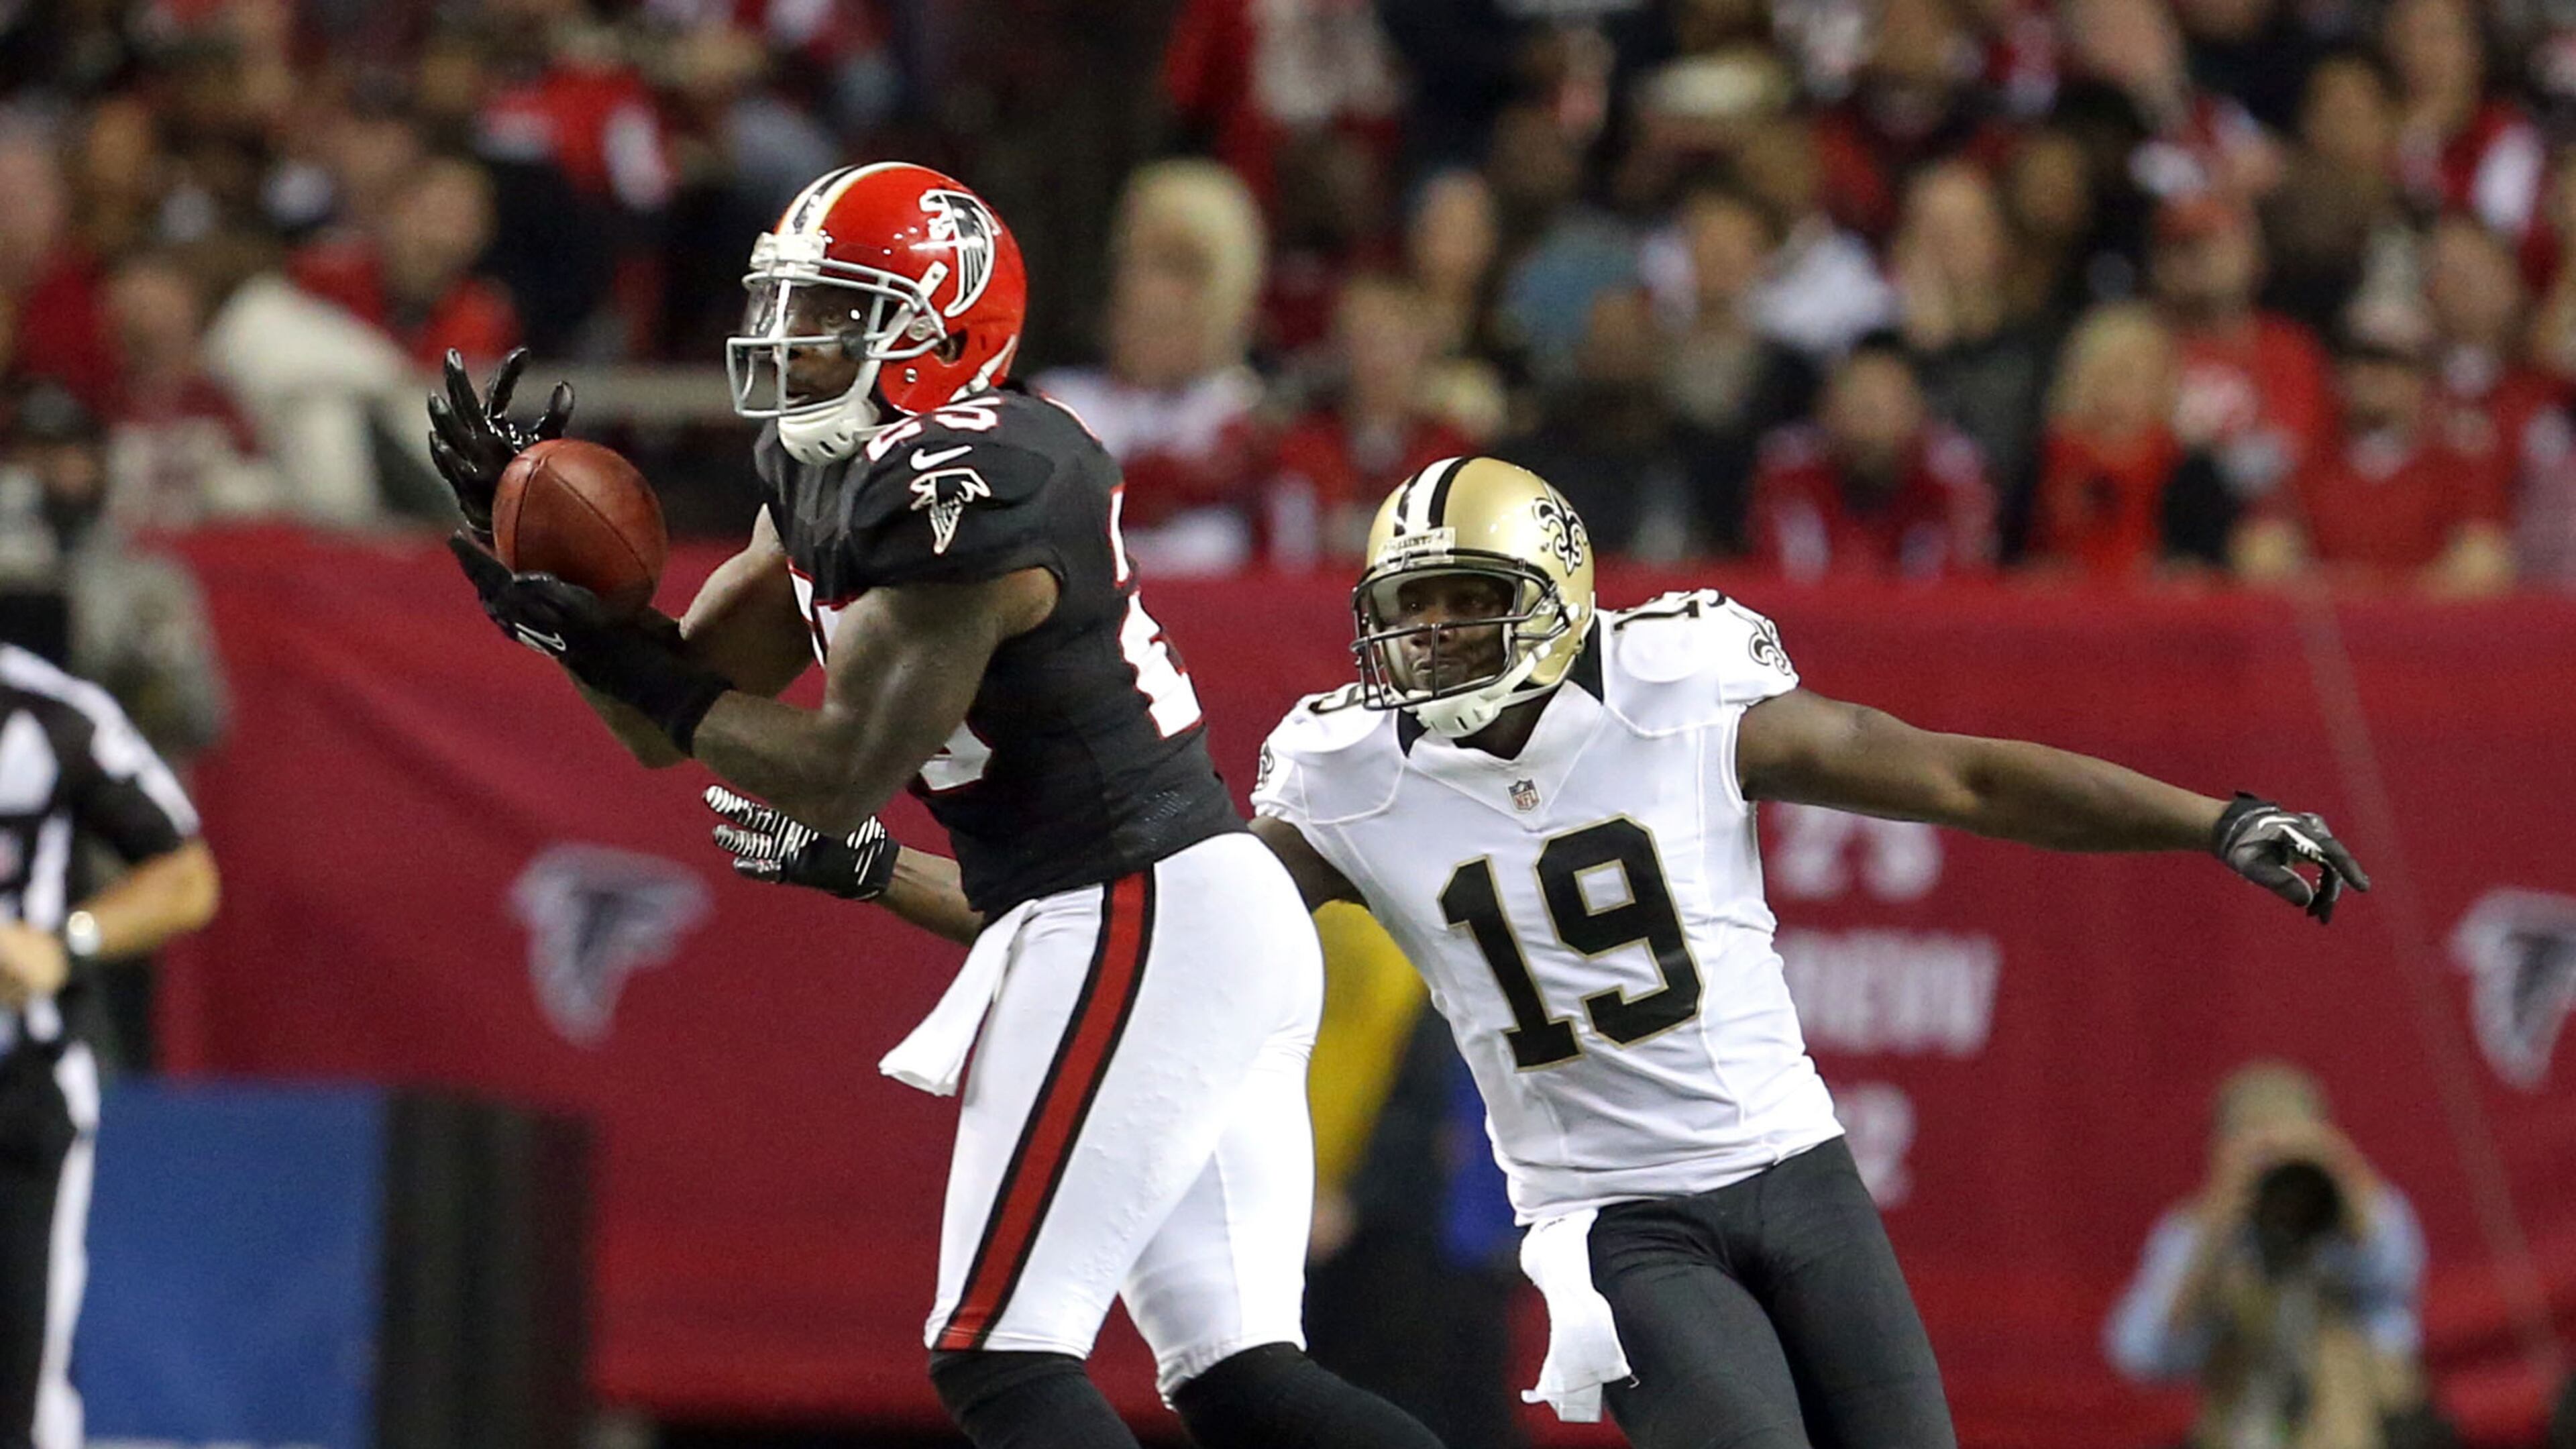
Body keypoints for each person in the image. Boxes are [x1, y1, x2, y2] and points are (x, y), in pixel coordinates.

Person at [738, 457, 2372, 1448]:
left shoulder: (1679, 687)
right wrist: (880, 863)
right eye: (1410, 609)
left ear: (1563, 594)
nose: (1426, 640)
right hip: (1608, 1217)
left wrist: (2202, 816)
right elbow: (1127, 942)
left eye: (1462, 604)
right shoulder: (1347, 774)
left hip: (1793, 1173)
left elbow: (1954, 771)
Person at [427, 162, 1442, 1449]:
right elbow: (670, 721)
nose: (790, 342)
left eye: (832, 312)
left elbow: (840, 766)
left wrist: (624, 659)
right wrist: (555, 587)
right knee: (1238, 1379)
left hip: (1143, 908)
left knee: (1001, 1357)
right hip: (1154, 913)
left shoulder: (982, 480)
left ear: (936, 330)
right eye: (787, 306)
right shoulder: (828, 473)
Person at [0, 642, 221, 1449]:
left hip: (21, 1087)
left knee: (22, 1386)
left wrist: (64, 942)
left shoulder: (50, 718)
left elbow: (188, 877)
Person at [2106, 1063, 2439, 1449]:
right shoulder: (2195, 1230)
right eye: (2252, 1138)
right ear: (2220, 1150)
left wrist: (2339, 1180)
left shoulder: (2361, 1212)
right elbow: (2143, 1352)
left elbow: (2395, 1270)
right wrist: (2216, 1228)